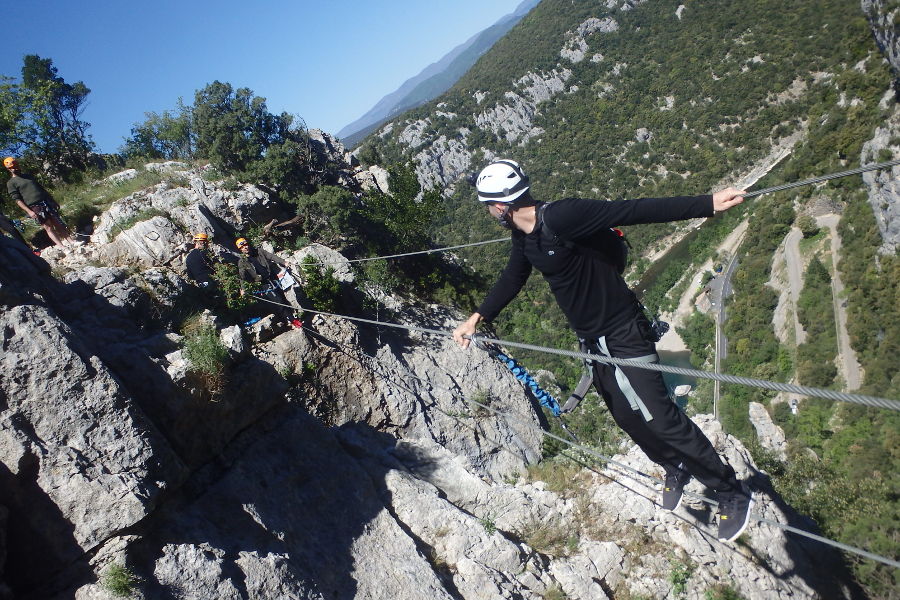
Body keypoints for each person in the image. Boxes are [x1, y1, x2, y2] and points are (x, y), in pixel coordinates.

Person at [452, 159, 753, 542]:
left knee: (661, 418)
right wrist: (478, 317)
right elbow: (514, 275)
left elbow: (632, 209)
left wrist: (708, 202)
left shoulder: (561, 216)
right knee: (627, 417)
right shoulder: (522, 234)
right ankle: (675, 463)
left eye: (487, 206)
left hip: (624, 331)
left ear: (498, 205)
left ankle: (730, 489)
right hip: (594, 342)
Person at [4, 157, 74, 248]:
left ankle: (71, 241)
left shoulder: (28, 176)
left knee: (58, 222)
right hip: (34, 206)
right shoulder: (11, 183)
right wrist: (29, 211)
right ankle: (61, 246)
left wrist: (52, 200)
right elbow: (17, 200)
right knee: (48, 227)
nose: (15, 169)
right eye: (12, 167)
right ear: (8, 169)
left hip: (45, 201)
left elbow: (41, 189)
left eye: (15, 166)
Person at [235, 237, 302, 328]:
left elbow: (271, 256)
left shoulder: (259, 251)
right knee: (278, 301)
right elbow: (242, 277)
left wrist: (283, 262)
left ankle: (290, 317)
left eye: (245, 245)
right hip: (263, 284)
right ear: (240, 250)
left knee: (282, 297)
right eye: (242, 247)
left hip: (272, 278)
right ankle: (292, 320)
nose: (245, 248)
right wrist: (243, 288)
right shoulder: (242, 262)